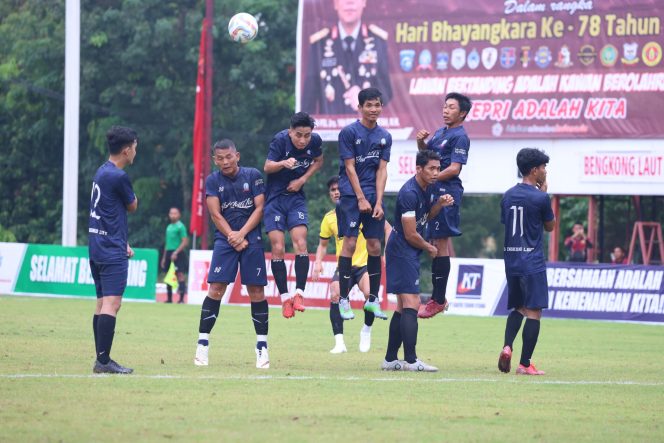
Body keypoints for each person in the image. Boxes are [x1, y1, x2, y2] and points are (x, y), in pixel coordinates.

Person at [194, 139, 270, 369]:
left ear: (237, 155)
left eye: (229, 157)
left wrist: (243, 234)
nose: (225, 162)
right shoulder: (212, 180)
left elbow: (260, 207)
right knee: (216, 289)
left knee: (256, 291)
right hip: (225, 240)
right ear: (214, 159)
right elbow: (215, 214)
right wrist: (232, 236)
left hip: (251, 239)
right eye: (220, 158)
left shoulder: (253, 175)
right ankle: (202, 345)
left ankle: (262, 348)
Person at [382, 150, 454, 372]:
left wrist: (439, 204)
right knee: (412, 303)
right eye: (431, 168)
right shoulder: (409, 193)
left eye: (437, 168)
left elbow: (425, 217)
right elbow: (411, 233)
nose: (435, 173)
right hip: (402, 249)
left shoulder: (428, 188)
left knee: (403, 306)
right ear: (418, 169)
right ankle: (411, 361)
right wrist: (429, 247)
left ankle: (390, 359)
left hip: (408, 249)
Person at [313, 176, 392, 353]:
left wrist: (386, 252)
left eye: (338, 189)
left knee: (369, 294)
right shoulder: (329, 219)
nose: (336, 192)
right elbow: (322, 244)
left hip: (365, 265)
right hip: (344, 266)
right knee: (335, 293)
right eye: (332, 190)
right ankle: (339, 343)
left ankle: (366, 330)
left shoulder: (366, 211)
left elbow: (388, 229)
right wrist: (318, 261)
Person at [498, 148, 555, 376]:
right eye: (543, 168)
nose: (544, 171)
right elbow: (550, 227)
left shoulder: (508, 195)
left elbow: (507, 222)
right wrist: (545, 193)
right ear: (534, 170)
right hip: (532, 261)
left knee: (518, 308)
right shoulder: (541, 197)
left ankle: (507, 346)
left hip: (511, 260)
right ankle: (525, 364)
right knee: (534, 311)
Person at [415, 92, 473, 319]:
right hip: (432, 192)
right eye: (445, 106)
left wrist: (431, 179)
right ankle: (437, 297)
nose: (445, 110)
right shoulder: (440, 133)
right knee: (434, 244)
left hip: (446, 193)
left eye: (451, 107)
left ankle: (437, 300)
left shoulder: (460, 137)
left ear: (463, 113)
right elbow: (426, 158)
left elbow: (454, 169)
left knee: (440, 243)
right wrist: (421, 142)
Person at [336, 87, 390, 321]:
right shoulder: (348, 133)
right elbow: (349, 167)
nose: (373, 109)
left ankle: (373, 300)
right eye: (368, 105)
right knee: (349, 244)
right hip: (350, 196)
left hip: (372, 196)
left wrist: (378, 201)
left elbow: (382, 170)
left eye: (377, 105)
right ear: (360, 107)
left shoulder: (385, 136)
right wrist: (359, 198)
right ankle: (344, 299)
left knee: (375, 246)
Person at [88, 126, 139, 374]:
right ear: (127, 149)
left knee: (101, 304)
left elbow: (107, 214)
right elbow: (132, 206)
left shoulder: (101, 171)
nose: (135, 152)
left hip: (98, 245)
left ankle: (101, 358)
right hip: (110, 251)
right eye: (135, 148)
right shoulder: (118, 176)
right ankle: (104, 361)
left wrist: (123, 241)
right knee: (112, 304)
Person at [263, 112, 324, 318]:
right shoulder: (280, 140)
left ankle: (299, 293)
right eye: (298, 135)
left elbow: (319, 160)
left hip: (295, 197)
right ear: (290, 132)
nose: (303, 140)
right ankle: (284, 298)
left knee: (301, 243)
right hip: (274, 199)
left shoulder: (314, 141)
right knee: (278, 247)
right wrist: (282, 163)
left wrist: (302, 180)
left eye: (306, 135)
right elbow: (267, 166)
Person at [302, 0, 392, 115]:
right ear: (335, 3)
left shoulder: (378, 42)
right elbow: (308, 99)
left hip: (366, 128)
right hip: (331, 129)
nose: (349, 2)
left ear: (364, 2)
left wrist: (366, 99)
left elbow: (387, 91)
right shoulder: (320, 44)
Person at [160, 207, 189, 303]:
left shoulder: (180, 226)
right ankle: (169, 299)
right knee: (168, 275)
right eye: (171, 213)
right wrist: (164, 258)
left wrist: (176, 252)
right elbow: (167, 243)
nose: (173, 215)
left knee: (180, 274)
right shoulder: (169, 227)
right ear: (169, 215)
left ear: (179, 215)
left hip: (178, 253)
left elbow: (185, 241)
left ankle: (181, 299)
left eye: (175, 213)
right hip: (168, 252)